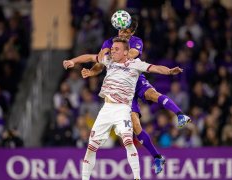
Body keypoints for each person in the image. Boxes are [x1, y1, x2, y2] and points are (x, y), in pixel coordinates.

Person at [81, 16, 191, 174]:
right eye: (121, 30)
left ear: (132, 32)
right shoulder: (108, 42)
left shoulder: (136, 41)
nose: (123, 33)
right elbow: (99, 63)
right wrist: (92, 70)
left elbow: (131, 54)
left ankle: (180, 115)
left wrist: (111, 55)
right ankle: (157, 157)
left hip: (134, 79)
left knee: (153, 94)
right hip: (122, 94)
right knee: (136, 127)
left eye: (126, 31)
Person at [63, 37, 183, 180]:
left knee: (128, 141)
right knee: (91, 147)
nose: (112, 51)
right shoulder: (109, 60)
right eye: (112, 49)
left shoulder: (135, 64)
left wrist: (169, 71)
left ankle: (137, 177)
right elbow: (89, 57)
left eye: (116, 49)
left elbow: (155, 68)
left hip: (122, 109)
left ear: (126, 52)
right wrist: (73, 61)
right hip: (106, 109)